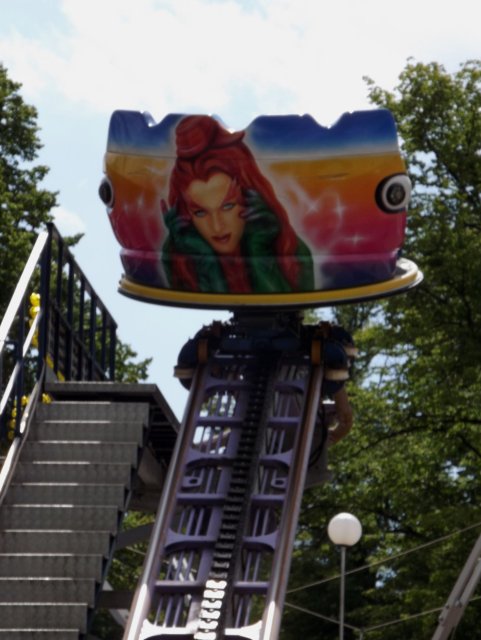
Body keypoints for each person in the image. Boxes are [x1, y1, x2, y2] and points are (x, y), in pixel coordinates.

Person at [161, 115, 314, 294]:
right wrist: (206, 263)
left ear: (251, 198)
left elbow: (293, 302)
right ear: (185, 215)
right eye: (200, 213)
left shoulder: (290, 249)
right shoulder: (178, 258)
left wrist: (260, 253)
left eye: (227, 206)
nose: (217, 227)